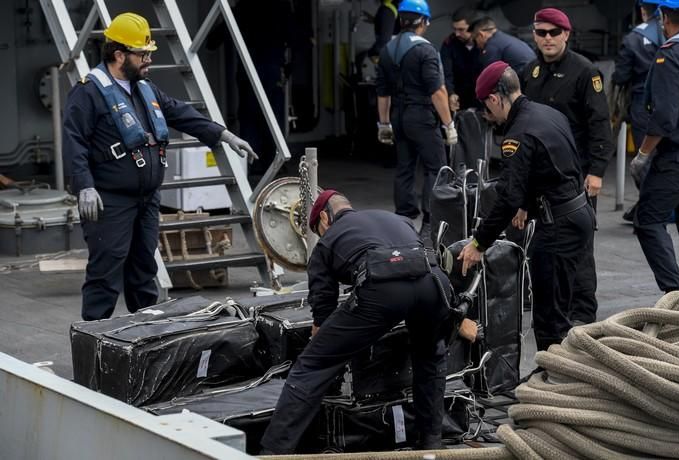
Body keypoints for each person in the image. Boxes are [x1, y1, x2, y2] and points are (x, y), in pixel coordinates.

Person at [62, 12, 257, 321]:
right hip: (110, 201)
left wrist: (222, 134)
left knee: (143, 272)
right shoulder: (89, 92)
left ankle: (146, 343)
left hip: (146, 199)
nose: (149, 59)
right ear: (119, 55)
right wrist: (84, 185)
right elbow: (74, 141)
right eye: (144, 53)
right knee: (105, 272)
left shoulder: (145, 89)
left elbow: (179, 112)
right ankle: (93, 348)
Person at [260, 189, 478, 454]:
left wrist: (326, 348)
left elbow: (323, 312)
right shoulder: (397, 219)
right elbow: (424, 256)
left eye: (318, 229)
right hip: (434, 285)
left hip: (382, 289)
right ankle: (431, 444)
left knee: (312, 366)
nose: (321, 235)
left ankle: (273, 453)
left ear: (326, 219)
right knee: (431, 357)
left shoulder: (327, 242)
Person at [458, 61, 596, 352]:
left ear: (494, 98)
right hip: (578, 214)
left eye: (487, 107)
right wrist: (528, 205)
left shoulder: (517, 135)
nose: (488, 114)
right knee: (566, 305)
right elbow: (551, 166)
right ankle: (564, 371)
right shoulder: (549, 114)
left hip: (558, 226)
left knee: (549, 316)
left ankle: (553, 381)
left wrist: (479, 243)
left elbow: (507, 196)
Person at [521, 7, 613, 326]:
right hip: (540, 175)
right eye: (541, 32)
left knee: (579, 246)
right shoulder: (530, 72)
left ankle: (583, 313)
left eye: (553, 32)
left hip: (576, 175)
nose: (547, 38)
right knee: (544, 245)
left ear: (566, 34)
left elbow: (600, 123)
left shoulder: (585, 72)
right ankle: (553, 308)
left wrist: (598, 170)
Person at [376, 0, 457, 242]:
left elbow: (382, 92)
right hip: (421, 117)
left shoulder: (388, 50)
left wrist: (384, 124)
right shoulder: (426, 50)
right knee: (436, 168)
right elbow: (438, 92)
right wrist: (448, 124)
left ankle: (403, 222)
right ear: (423, 21)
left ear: (401, 20)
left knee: (405, 168)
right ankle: (430, 225)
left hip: (398, 117)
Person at [631, 0, 679, 294]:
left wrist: (642, 154)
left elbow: (665, 117)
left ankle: (674, 294)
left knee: (647, 219)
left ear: (664, 17)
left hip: (677, 159)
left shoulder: (672, 54)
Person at [612, 0, 664, 221]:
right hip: (673, 101)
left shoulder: (633, 38)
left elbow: (621, 76)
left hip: (643, 102)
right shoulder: (673, 33)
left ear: (643, 11)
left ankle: (649, 209)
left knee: (643, 158)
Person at [440, 8, 482, 111]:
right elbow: (447, 74)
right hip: (459, 98)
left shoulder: (484, 43)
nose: (457, 34)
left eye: (461, 29)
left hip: (482, 97)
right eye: (455, 29)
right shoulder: (449, 45)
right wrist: (451, 93)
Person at [469, 16, 536, 74]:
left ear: (481, 35)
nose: (476, 45)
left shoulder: (492, 45)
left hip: (525, 80)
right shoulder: (503, 38)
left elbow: (489, 76)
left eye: (474, 40)